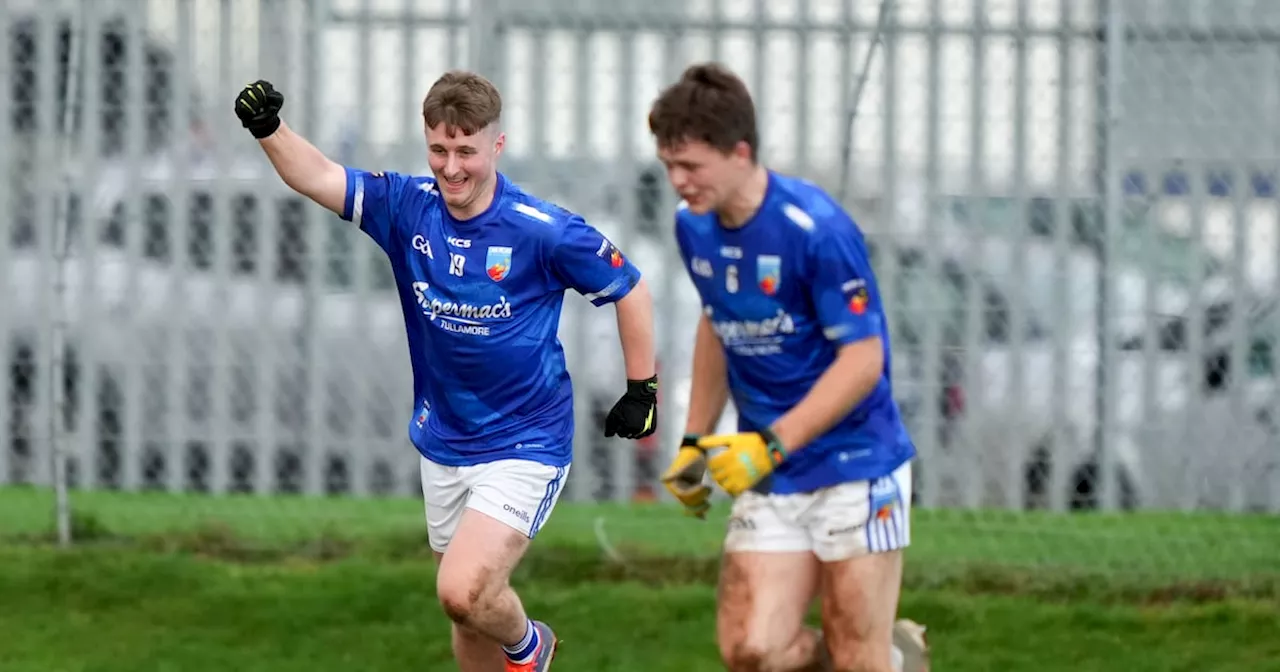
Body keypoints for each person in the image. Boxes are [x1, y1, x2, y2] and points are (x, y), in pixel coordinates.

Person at [235, 72, 659, 672]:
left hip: (525, 442)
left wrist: (642, 389)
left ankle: (531, 647)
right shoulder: (407, 207)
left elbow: (631, 289)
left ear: (496, 147)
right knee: (465, 618)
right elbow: (319, 176)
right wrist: (270, 130)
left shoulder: (542, 230)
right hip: (443, 441)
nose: (452, 167)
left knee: (463, 590)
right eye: (439, 150)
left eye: (466, 152)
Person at [649, 63, 930, 672]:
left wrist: (770, 445)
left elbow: (864, 361)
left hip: (856, 465)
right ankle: (891, 654)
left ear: (740, 152)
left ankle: (883, 655)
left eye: (691, 166)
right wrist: (696, 441)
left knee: (858, 656)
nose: (677, 182)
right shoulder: (692, 226)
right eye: (668, 165)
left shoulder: (816, 230)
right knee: (751, 650)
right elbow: (716, 323)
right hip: (774, 469)